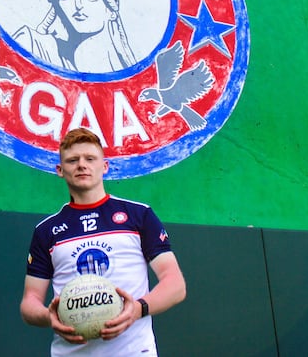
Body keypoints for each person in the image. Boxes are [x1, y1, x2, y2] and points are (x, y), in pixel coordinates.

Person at [20, 127, 186, 355]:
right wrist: (48, 316)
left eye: (90, 158)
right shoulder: (46, 231)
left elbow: (175, 285)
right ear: (60, 170)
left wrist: (138, 308)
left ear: (104, 166)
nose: (81, 165)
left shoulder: (139, 215)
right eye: (72, 160)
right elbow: (30, 301)